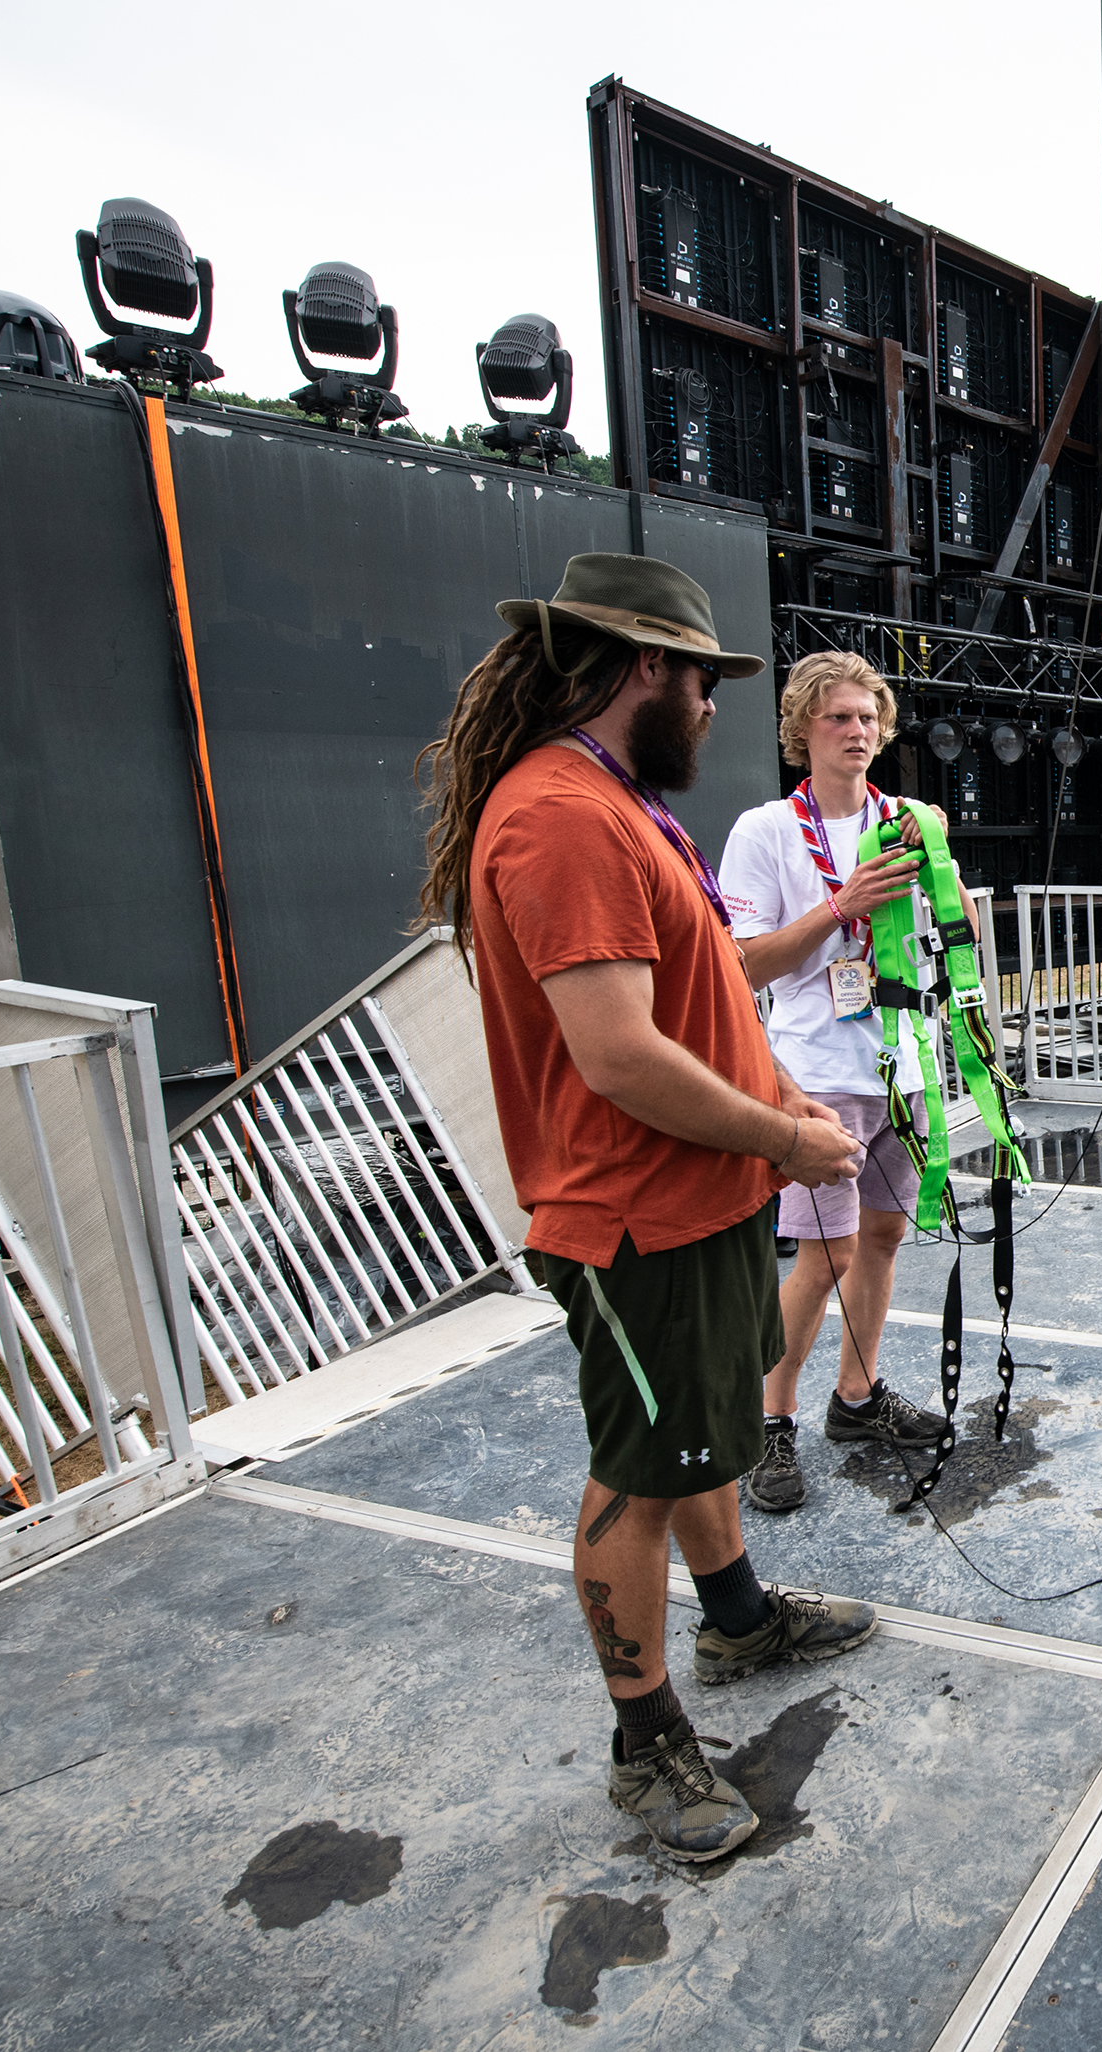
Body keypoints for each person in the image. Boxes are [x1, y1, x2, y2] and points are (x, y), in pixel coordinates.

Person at [416, 552, 880, 1864]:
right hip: (632, 1219)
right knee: (640, 1467)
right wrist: (790, 1135)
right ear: (643, 669)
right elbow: (617, 1053)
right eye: (702, 678)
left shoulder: (617, 803)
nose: (716, 705)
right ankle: (646, 1744)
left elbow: (705, 995)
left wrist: (781, 1099)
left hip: (703, 1199)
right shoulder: (559, 815)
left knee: (698, 1435)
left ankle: (737, 1617)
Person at [717, 651, 952, 1514]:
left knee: (885, 1240)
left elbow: (941, 935)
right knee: (823, 1256)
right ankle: (767, 1425)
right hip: (819, 1077)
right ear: (800, 733)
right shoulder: (767, 831)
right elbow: (741, 964)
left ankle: (856, 1399)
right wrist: (840, 904)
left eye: (867, 718)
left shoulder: (912, 822)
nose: (857, 732)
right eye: (837, 719)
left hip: (906, 1064)